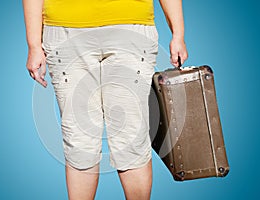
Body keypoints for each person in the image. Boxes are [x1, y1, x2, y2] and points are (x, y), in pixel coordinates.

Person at [23, 0, 188, 199]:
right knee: (79, 140)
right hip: (65, 30)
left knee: (131, 136)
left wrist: (178, 34)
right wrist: (33, 44)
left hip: (130, 25)